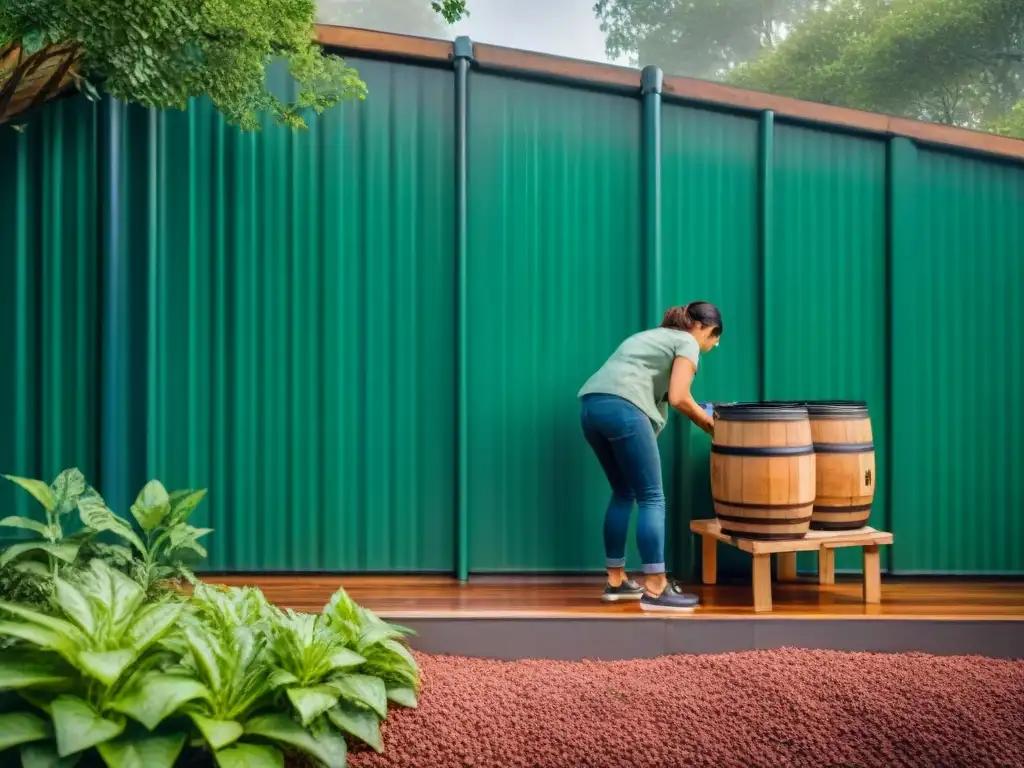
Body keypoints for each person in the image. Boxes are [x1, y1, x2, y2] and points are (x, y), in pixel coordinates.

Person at [577, 301, 722, 612]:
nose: (716, 342)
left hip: (591, 407)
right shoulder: (686, 341)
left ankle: (616, 581)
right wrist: (711, 426)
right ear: (702, 329)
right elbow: (680, 397)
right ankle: (656, 588)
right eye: (715, 335)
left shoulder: (650, 337)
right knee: (652, 497)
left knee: (623, 491)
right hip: (624, 409)